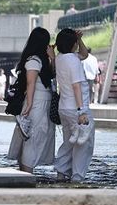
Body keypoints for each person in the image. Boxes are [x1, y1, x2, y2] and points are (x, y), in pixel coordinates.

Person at [6, 27, 56, 174]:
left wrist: (53, 58)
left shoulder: (42, 60)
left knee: (32, 136)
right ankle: (27, 173)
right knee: (33, 137)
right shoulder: (34, 60)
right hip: (36, 103)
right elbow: (31, 83)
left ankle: (25, 172)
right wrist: (29, 104)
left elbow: (52, 74)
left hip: (40, 102)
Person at [54, 28, 95, 183]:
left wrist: (79, 39)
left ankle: (61, 171)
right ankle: (77, 177)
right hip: (76, 108)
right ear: (73, 44)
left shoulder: (60, 58)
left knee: (69, 141)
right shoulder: (73, 60)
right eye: (76, 42)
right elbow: (76, 86)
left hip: (64, 108)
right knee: (83, 143)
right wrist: (81, 111)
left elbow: (84, 54)